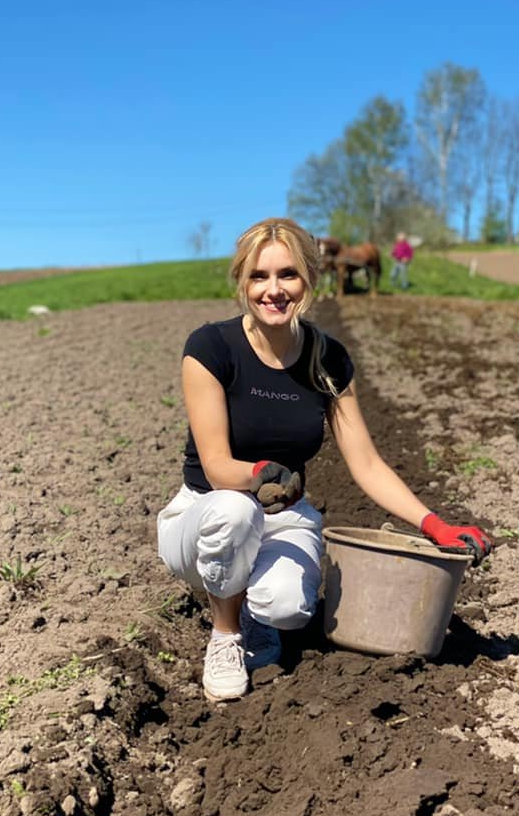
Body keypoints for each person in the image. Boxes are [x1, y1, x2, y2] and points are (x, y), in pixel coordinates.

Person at [157, 217, 492, 702]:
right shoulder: (212, 348)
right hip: (204, 513)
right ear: (241, 282)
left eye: (287, 275)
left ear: (310, 279)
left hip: (282, 516)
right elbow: (215, 466)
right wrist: (257, 474)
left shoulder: (326, 358)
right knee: (236, 510)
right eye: (259, 276)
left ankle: (254, 611)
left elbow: (367, 464)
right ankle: (225, 633)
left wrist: (434, 525)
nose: (273, 290)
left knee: (289, 608)